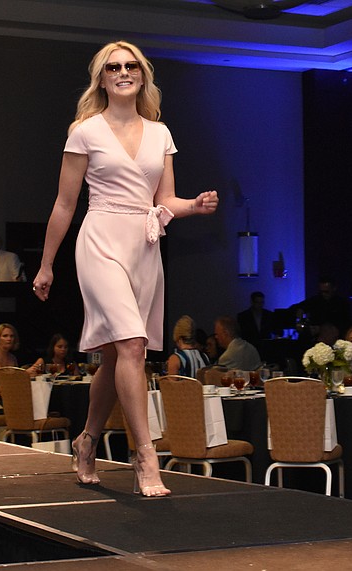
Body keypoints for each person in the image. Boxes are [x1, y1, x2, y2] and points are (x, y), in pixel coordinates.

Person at [32, 41, 219, 496]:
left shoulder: (160, 133)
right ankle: (145, 455)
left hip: (144, 246)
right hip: (99, 242)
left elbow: (164, 201)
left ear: (142, 75)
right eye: (113, 67)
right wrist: (46, 265)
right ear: (101, 78)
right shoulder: (85, 131)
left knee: (117, 355)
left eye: (130, 65)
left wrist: (192, 206)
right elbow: (64, 203)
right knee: (133, 346)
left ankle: (87, 439)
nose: (122, 72)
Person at [0, 323, 38, 411]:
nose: (9, 339)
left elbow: (14, 383)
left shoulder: (12, 358)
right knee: (23, 406)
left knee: (35, 401)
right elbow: (1, 377)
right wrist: (24, 374)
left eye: (11, 336)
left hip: (6, 396)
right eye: (5, 336)